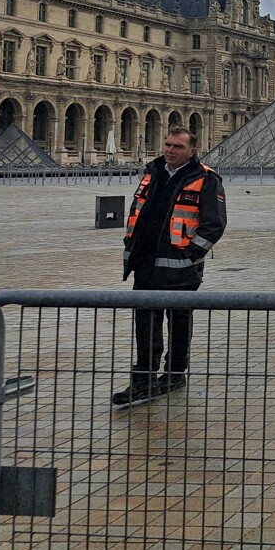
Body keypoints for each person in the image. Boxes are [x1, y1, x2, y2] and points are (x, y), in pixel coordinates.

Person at [112, 126, 226, 407]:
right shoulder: (152, 173)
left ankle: (174, 373)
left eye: (177, 146)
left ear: (192, 150)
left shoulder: (206, 179)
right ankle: (143, 379)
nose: (170, 150)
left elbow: (214, 224)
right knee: (145, 322)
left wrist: (190, 255)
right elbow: (138, 212)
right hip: (145, 262)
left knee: (179, 322)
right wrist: (131, 246)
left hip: (181, 267)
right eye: (168, 144)